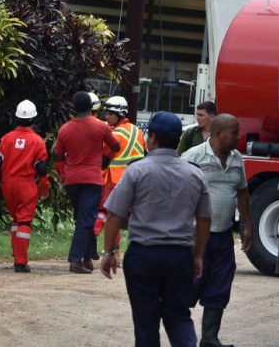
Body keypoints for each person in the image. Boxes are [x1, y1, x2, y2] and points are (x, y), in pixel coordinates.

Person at [101, 111, 212, 347]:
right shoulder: (195, 174)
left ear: (152, 138)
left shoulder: (137, 170)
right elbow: (204, 220)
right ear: (177, 140)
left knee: (146, 320)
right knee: (179, 315)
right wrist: (198, 255)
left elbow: (114, 215)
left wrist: (108, 252)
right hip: (180, 256)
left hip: (143, 255)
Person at [181, 114, 252, 347]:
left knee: (220, 287)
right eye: (235, 133)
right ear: (218, 133)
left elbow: (242, 192)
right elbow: (178, 194)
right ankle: (181, 336)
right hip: (195, 237)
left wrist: (247, 226)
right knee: (188, 288)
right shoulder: (193, 157)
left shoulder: (236, 159)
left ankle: (209, 339)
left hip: (222, 238)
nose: (238, 137)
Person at [54, 91, 120, 273]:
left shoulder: (65, 129)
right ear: (92, 107)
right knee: (86, 219)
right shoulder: (101, 127)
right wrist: (104, 157)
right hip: (92, 179)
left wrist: (63, 171)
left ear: (73, 108)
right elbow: (116, 146)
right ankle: (76, 260)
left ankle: (88, 257)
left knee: (84, 218)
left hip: (72, 180)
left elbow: (58, 155)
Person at [0, 100, 49, 273]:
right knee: (24, 221)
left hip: (8, 185)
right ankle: (21, 262)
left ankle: (17, 255)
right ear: (33, 119)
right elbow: (41, 168)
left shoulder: (6, 139)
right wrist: (45, 186)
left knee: (16, 220)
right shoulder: (37, 141)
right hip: (26, 185)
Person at [93, 96, 145, 263]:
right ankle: (117, 251)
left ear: (119, 114)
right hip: (136, 181)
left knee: (107, 213)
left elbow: (104, 159)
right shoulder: (137, 130)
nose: (106, 117)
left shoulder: (115, 133)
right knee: (130, 217)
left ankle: (90, 238)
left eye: (109, 114)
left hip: (114, 179)